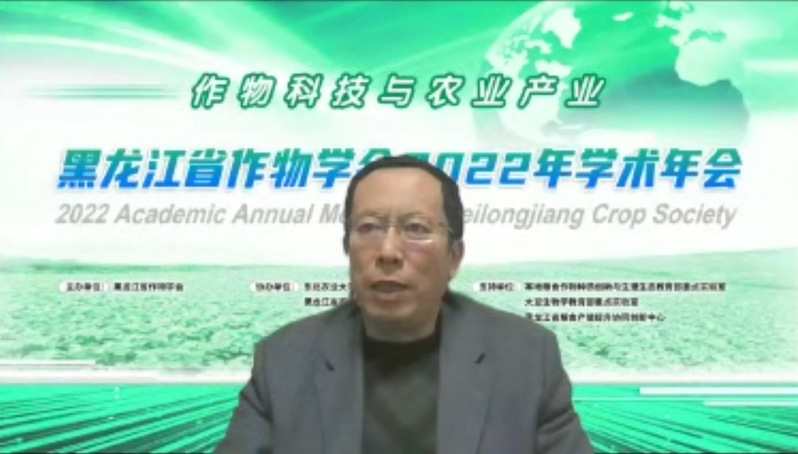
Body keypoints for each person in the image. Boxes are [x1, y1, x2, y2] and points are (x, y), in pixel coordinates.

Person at [214, 155, 594, 454]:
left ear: (453, 257)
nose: (388, 251)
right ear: (347, 248)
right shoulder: (284, 359)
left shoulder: (526, 356)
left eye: (416, 229)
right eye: (369, 228)